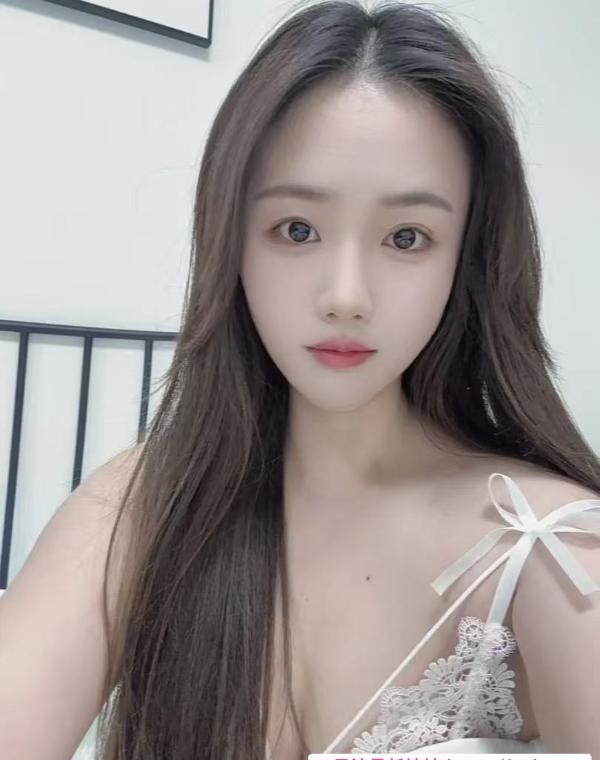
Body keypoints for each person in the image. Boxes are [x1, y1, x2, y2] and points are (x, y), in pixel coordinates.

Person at [1, 1, 599, 758]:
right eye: (297, 229)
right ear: (231, 241)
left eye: (406, 237)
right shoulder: (140, 508)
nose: (346, 296)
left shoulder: (545, 546)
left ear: (466, 259)